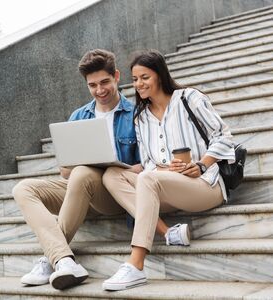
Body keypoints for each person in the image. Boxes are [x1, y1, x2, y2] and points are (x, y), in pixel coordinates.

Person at [101, 49, 235, 291]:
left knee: (148, 179)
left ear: (160, 76)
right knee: (112, 175)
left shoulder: (189, 99)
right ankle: (168, 233)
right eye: (135, 79)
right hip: (167, 186)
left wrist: (201, 163)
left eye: (145, 77)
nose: (139, 84)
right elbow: (149, 162)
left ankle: (136, 264)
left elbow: (224, 137)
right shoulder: (140, 118)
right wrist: (161, 169)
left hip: (206, 184)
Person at [12, 49, 141, 290]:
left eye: (105, 82)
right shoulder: (78, 116)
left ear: (117, 76)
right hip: (78, 190)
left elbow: (147, 165)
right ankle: (62, 259)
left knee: (83, 173)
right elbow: (64, 171)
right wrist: (83, 164)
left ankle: (49, 258)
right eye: (92, 85)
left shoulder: (135, 114)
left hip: (113, 194)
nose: (100, 90)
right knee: (23, 188)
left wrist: (114, 169)